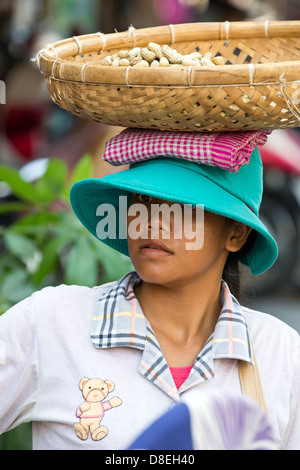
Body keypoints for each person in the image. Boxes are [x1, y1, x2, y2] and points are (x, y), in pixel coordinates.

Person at [0, 135, 299, 450]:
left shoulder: (281, 356)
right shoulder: (51, 324)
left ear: (236, 232)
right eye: (141, 200)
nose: (152, 221)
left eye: (180, 205)